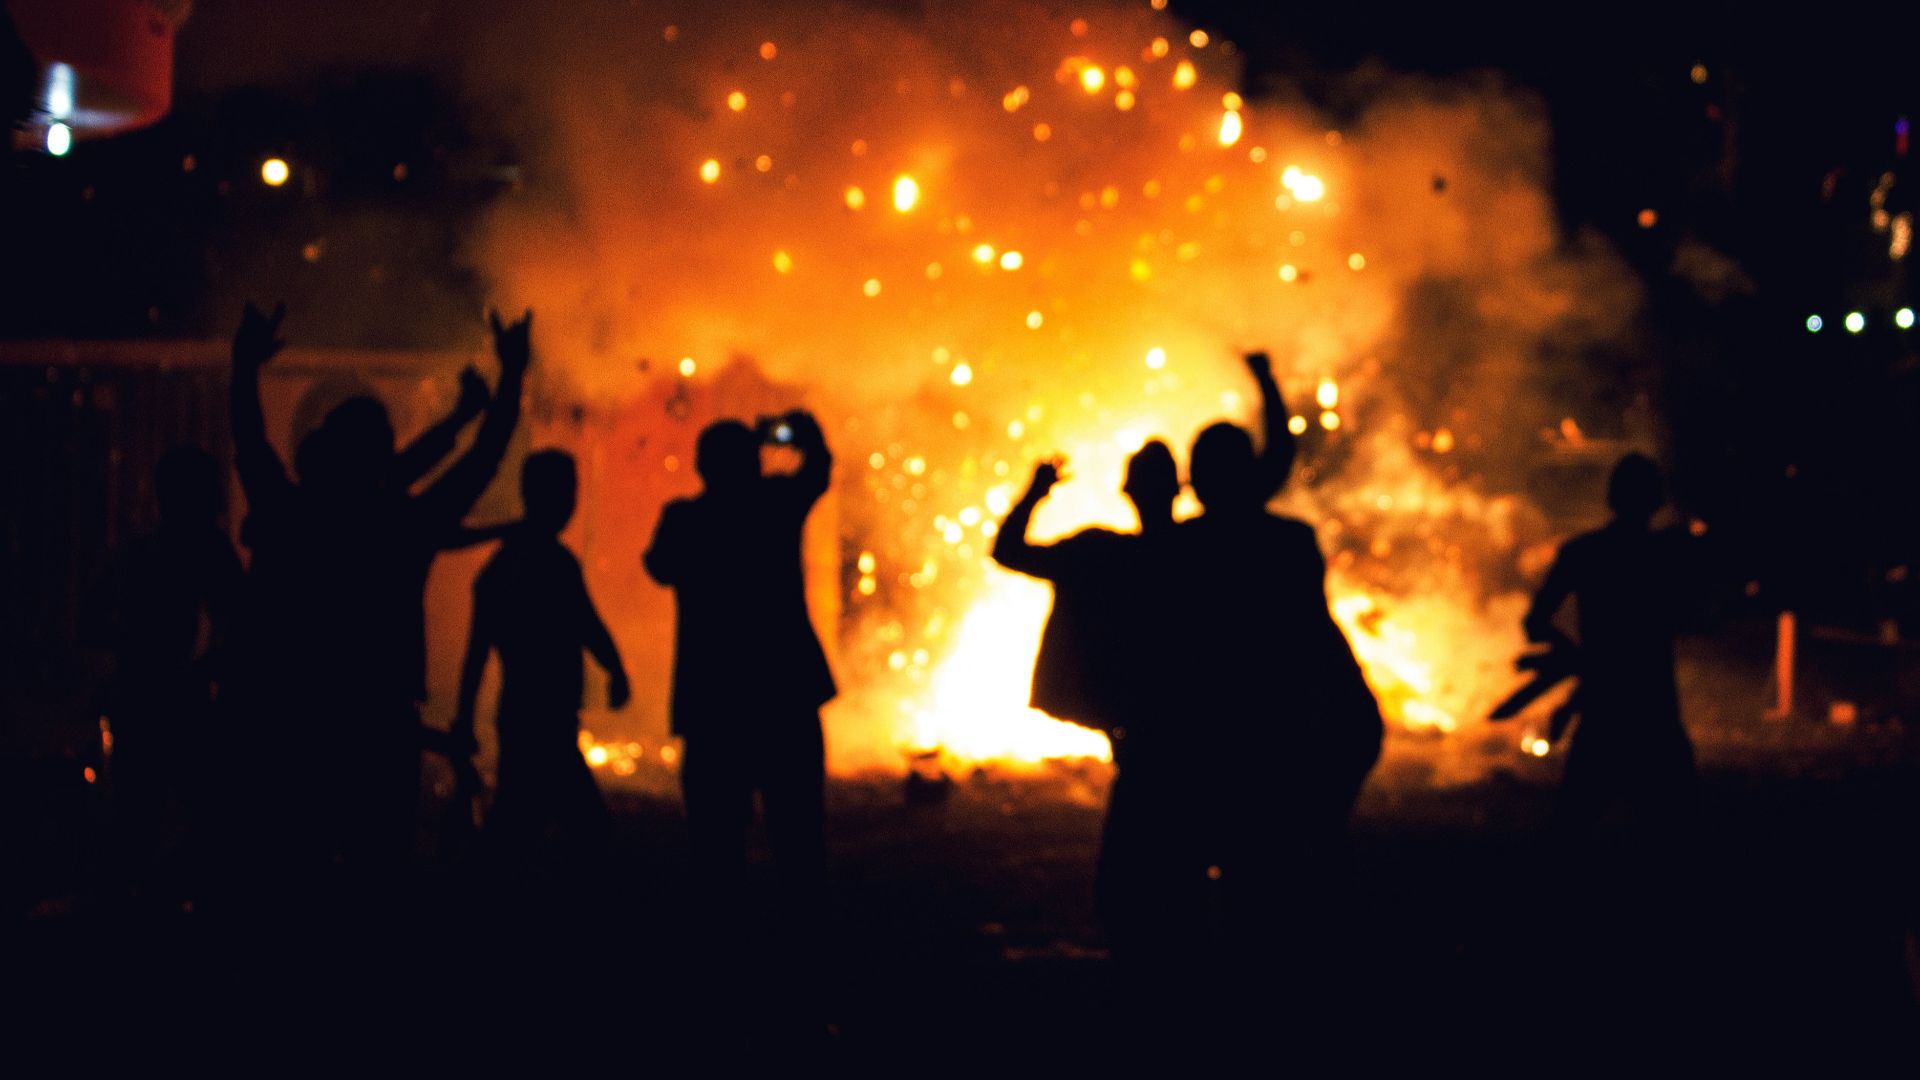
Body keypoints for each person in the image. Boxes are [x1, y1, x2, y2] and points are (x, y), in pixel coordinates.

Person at [226, 302, 530, 873]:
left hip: (296, 714)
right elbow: (482, 462)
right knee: (377, 868)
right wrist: (511, 376)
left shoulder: (294, 514)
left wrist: (244, 367)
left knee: (293, 864)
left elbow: (250, 442)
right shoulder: (401, 523)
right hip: (380, 718)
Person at [643, 410, 835, 886]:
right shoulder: (777, 504)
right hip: (784, 695)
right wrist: (793, 429)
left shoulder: (685, 520)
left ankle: (723, 943)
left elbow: (659, 567)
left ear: (702, 467)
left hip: (713, 702)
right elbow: (819, 467)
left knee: (716, 843)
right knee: (798, 837)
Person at [451, 450, 630, 861]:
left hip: (524, 714)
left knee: (520, 823)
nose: (570, 503)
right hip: (542, 719)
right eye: (566, 492)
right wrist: (614, 668)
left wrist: (465, 717)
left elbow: (478, 651)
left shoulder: (508, 564)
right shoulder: (547, 563)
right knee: (578, 829)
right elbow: (586, 624)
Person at [1514, 452, 1696, 836]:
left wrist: (1580, 656)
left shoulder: (1584, 552)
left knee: (1574, 826)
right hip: (1653, 712)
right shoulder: (1667, 555)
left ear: (1612, 498)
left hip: (1605, 711)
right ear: (1656, 501)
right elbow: (1696, 619)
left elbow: (1535, 623)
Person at [100, 446, 244, 901]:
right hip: (177, 702)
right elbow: (237, 624)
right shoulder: (206, 551)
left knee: (140, 822)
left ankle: (140, 915)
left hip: (145, 698)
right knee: (200, 820)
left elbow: (93, 620)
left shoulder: (141, 554)